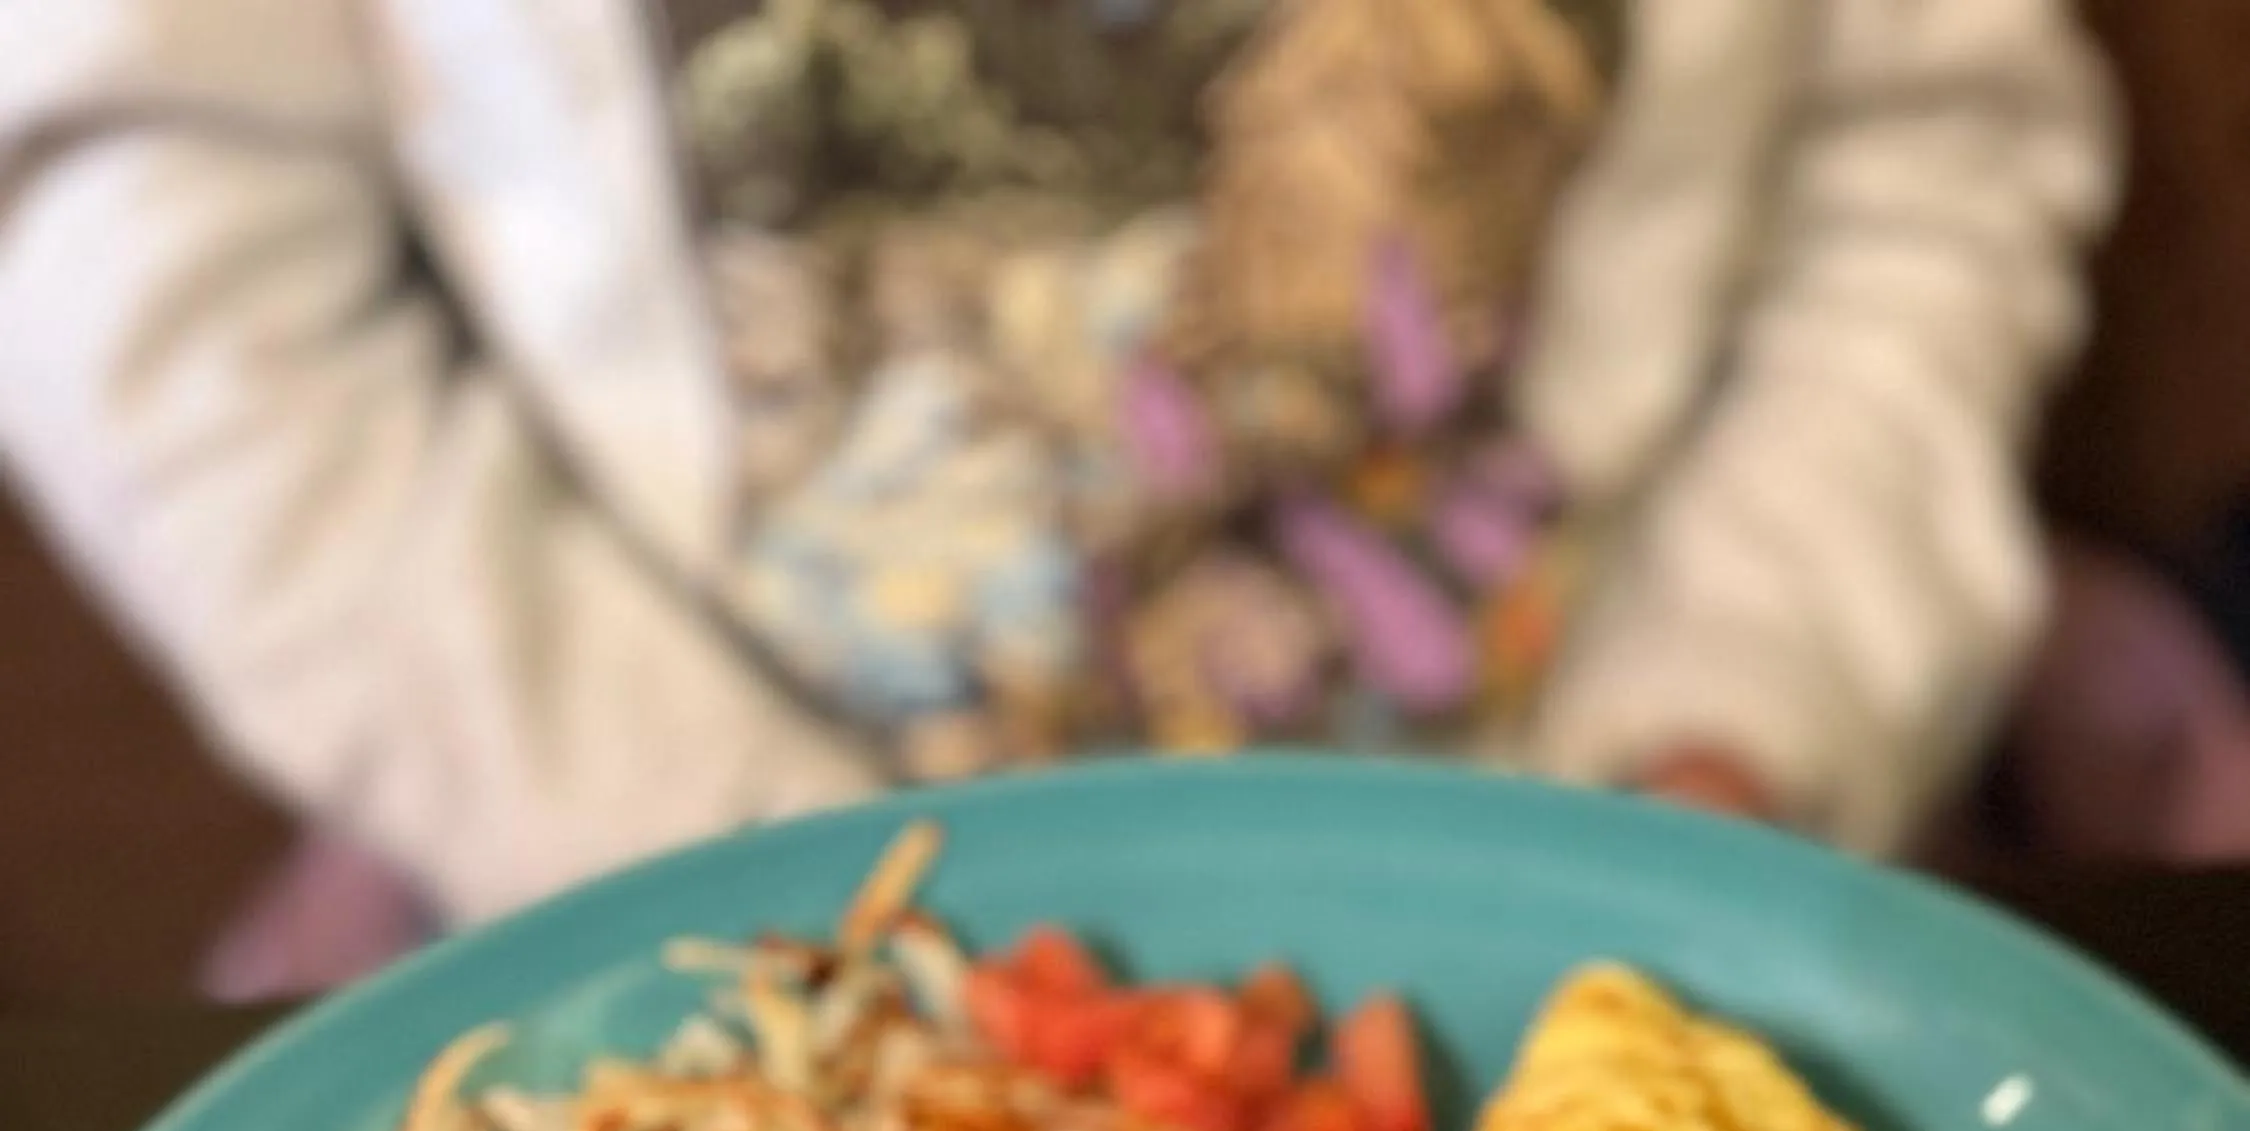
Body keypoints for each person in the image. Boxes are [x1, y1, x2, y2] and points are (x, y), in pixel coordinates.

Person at [0, 3, 2117, 991]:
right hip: (643, 848)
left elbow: (1922, 154)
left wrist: (1755, 693)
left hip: (1615, 821)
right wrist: (663, 840)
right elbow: (130, 223)